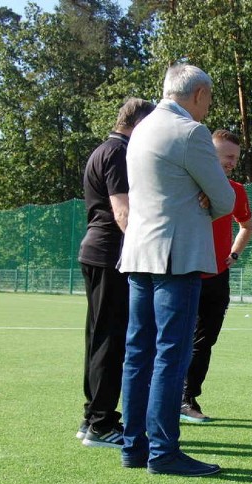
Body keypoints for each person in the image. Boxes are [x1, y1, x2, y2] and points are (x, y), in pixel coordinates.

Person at [118, 64, 235, 477]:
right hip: (176, 257)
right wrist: (204, 194)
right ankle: (164, 452)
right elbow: (225, 201)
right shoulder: (191, 133)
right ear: (200, 93)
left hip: (137, 254)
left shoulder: (142, 130)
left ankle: (134, 447)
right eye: (209, 98)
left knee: (138, 354)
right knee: (172, 354)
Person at [77, 97, 156, 448]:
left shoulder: (101, 150)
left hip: (97, 252)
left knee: (98, 339)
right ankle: (102, 425)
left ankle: (92, 416)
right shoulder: (118, 153)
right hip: (112, 255)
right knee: (111, 340)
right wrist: (146, 250)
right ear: (138, 123)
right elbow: (122, 212)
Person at [180, 129, 252, 423]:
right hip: (184, 273)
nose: (231, 162)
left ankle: (187, 399)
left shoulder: (236, 190)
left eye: (235, 157)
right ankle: (161, 398)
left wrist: (233, 255)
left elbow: (247, 226)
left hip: (217, 277)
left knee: (204, 341)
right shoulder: (185, 184)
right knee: (174, 338)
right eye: (226, 156)